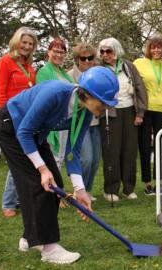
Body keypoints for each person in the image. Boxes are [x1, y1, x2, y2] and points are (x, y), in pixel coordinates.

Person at [0, 66, 119, 264]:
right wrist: (42, 169)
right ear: (88, 94)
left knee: (56, 184)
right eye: (104, 102)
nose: (106, 107)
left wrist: (80, 190)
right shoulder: (55, 93)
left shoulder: (85, 112)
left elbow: (72, 152)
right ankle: (49, 248)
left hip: (35, 134)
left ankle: (30, 237)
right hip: (12, 127)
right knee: (40, 185)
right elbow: (24, 132)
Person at [0, 26, 38, 218]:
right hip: (10, 117)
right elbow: (0, 93)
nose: (26, 46)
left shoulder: (29, 66)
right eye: (24, 42)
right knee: (17, 160)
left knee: (28, 158)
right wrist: (7, 115)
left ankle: (20, 198)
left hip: (27, 117)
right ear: (16, 41)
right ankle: (8, 203)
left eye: (30, 44)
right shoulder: (5, 62)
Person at [98, 38, 147, 202]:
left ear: (116, 51)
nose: (105, 55)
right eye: (102, 51)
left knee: (130, 151)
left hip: (129, 112)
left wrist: (140, 113)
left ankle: (129, 188)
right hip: (110, 114)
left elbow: (140, 88)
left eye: (109, 51)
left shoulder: (128, 66)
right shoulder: (99, 69)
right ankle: (111, 189)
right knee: (112, 152)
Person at [133, 36, 162, 195]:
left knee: (161, 147)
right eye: (153, 48)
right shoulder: (139, 63)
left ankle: (160, 182)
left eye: (159, 48)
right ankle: (147, 182)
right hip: (146, 109)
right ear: (148, 49)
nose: (156, 51)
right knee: (144, 146)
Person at [67, 42, 99, 201]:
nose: (87, 61)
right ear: (77, 59)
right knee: (86, 158)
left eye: (90, 58)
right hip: (79, 123)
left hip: (96, 122)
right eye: (83, 58)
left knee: (95, 160)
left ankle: (88, 189)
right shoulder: (70, 75)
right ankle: (80, 190)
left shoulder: (98, 73)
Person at [36, 38, 74, 170]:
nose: (59, 55)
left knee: (60, 157)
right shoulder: (44, 72)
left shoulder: (64, 73)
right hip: (52, 121)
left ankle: (55, 188)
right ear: (48, 52)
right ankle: (50, 188)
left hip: (64, 120)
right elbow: (42, 98)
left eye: (62, 52)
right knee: (52, 158)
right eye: (55, 51)